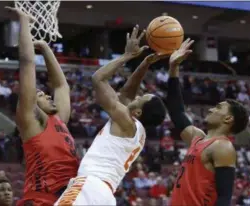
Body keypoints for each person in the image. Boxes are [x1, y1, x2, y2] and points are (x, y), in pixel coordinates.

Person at [55, 25, 167, 205]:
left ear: (138, 112)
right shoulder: (134, 130)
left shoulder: (126, 121)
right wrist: (144, 64)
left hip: (90, 186)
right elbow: (127, 94)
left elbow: (98, 79)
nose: (137, 96)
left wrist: (126, 56)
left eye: (141, 97)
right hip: (105, 194)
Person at [5, 7, 79, 206]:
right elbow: (27, 63)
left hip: (68, 200)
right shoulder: (31, 121)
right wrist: (24, 22)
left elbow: (61, 85)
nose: (47, 94)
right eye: (40, 94)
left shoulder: (59, 119)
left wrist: (46, 49)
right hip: (40, 201)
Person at [166, 39, 249, 206]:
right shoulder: (197, 138)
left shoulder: (222, 147)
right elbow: (176, 111)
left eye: (218, 108)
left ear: (228, 119)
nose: (211, 110)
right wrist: (173, 68)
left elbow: (224, 197)